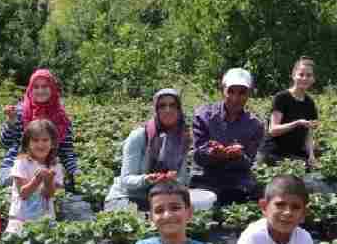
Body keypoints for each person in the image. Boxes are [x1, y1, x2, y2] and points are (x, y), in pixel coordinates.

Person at [103, 89, 191, 212]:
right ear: (156, 110)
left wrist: (171, 180)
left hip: (158, 199)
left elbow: (182, 179)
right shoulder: (139, 136)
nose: (168, 110)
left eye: (173, 105)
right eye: (162, 106)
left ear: (179, 109)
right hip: (126, 197)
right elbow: (126, 180)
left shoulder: (182, 138)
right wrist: (147, 179)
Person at [189, 68, 265, 206]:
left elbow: (249, 161)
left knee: (256, 195)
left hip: (236, 178)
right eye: (231, 91)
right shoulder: (203, 115)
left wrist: (239, 155)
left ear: (249, 94)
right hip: (204, 176)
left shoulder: (255, 125)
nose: (236, 98)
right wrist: (212, 152)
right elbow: (197, 155)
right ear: (223, 90)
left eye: (242, 92)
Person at [0, 69, 78, 192]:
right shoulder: (20, 112)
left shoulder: (61, 117)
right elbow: (6, 143)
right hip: (16, 166)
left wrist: (76, 172)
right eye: (36, 87)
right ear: (30, 89)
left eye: (45, 86)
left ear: (52, 88)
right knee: (17, 186)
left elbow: (67, 152)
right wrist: (11, 123)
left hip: (47, 167)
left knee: (60, 189)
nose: (40, 90)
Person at [6, 119, 65, 235]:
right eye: (35, 140)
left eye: (45, 140)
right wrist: (37, 179)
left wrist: (49, 181)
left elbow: (49, 195)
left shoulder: (55, 165)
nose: (40, 144)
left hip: (45, 217)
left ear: (52, 143)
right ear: (27, 143)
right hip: (20, 217)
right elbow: (23, 193)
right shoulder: (21, 163)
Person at [261, 57, 321, 167]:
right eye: (301, 74)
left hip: (295, 151)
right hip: (276, 152)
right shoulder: (282, 98)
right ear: (293, 76)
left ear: (313, 79)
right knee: (302, 168)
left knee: (316, 162)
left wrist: (311, 156)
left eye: (308, 75)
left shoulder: (309, 103)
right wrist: (297, 123)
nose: (304, 78)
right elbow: (273, 130)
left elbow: (308, 133)